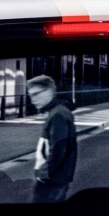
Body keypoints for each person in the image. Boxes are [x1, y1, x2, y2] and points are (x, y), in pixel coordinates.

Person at [26, 73, 77, 203]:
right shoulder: (58, 111)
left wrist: (43, 174)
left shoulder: (58, 115)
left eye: (35, 94)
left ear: (48, 92)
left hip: (53, 181)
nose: (32, 100)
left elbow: (58, 149)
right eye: (30, 95)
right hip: (56, 178)